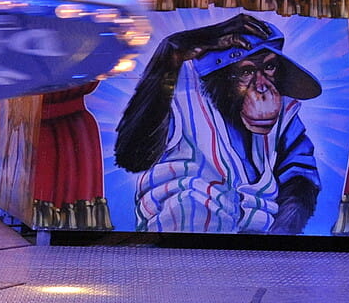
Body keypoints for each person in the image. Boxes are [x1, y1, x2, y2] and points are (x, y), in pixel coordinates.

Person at [114, 15, 321, 234]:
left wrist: (280, 237)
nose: (262, 88)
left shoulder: (283, 110)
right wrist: (170, 52)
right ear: (222, 77)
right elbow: (132, 158)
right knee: (192, 202)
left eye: (269, 67)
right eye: (247, 72)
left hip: (253, 238)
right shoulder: (184, 98)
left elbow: (301, 180)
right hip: (182, 229)